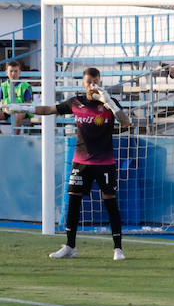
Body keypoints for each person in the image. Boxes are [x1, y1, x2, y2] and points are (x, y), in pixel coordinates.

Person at [23, 67, 133, 261]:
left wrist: (110, 104)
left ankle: (118, 248)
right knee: (73, 202)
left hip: (104, 162)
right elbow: (48, 109)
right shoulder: (76, 102)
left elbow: (126, 123)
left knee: (110, 203)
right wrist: (25, 109)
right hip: (81, 162)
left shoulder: (109, 102)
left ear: (100, 81)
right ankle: (69, 246)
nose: (93, 85)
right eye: (89, 82)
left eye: (96, 81)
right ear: (83, 83)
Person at [1, 60, 33, 132]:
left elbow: (28, 103)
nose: (13, 73)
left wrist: (18, 108)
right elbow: (2, 102)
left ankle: (15, 138)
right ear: (6, 72)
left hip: (22, 111)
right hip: (8, 110)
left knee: (17, 116)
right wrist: (6, 109)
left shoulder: (25, 86)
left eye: (16, 71)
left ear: (19, 72)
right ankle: (1, 136)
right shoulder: (3, 86)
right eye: (11, 71)